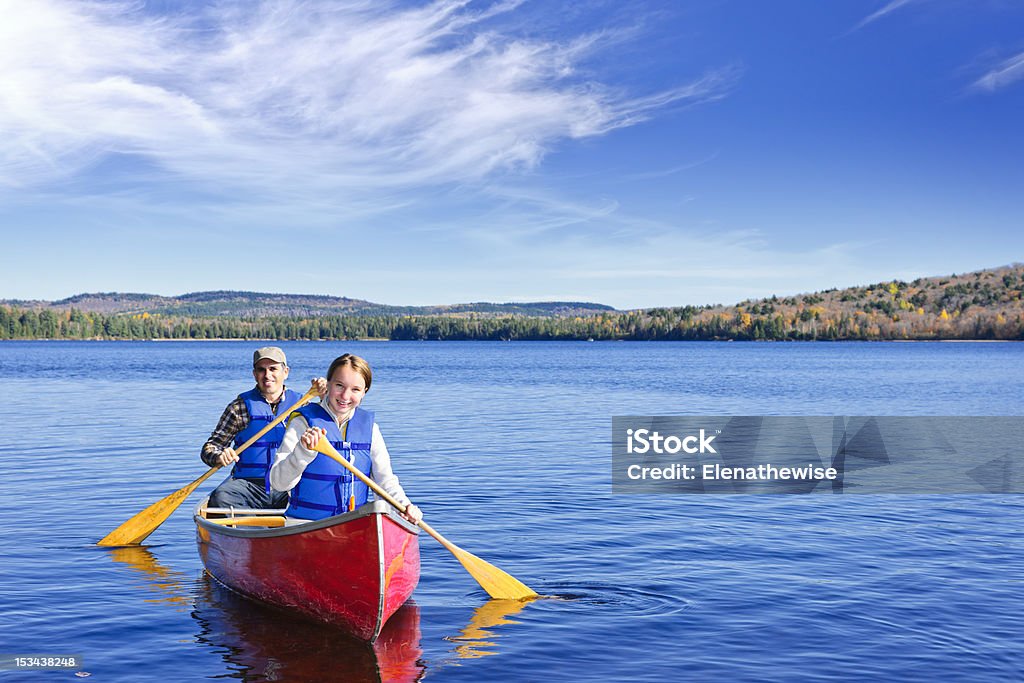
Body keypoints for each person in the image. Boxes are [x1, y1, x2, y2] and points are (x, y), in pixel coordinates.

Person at [270, 353, 422, 523]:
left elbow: (385, 482)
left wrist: (404, 506)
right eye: (339, 386)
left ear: (364, 392)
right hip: (305, 525)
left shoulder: (370, 428)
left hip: (354, 526)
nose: (345, 396)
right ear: (328, 384)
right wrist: (303, 452)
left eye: (355, 389)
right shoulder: (302, 423)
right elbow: (278, 483)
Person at [201, 346, 325, 510]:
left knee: (319, 496)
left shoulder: (304, 405)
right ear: (254, 374)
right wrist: (219, 455)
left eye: (273, 369)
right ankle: (250, 528)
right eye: (261, 370)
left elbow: (331, 432)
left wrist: (325, 399)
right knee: (221, 497)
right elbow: (210, 448)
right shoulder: (239, 407)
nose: (267, 375)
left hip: (289, 484)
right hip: (249, 486)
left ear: (285, 372)